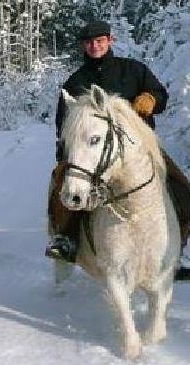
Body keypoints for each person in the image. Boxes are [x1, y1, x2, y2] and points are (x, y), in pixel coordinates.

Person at [47, 20, 190, 277]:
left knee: (182, 186)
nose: (95, 46)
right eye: (90, 42)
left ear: (110, 41)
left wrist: (151, 99)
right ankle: (66, 240)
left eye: (100, 40)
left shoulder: (133, 70)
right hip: (92, 155)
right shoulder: (75, 82)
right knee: (63, 186)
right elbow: (64, 124)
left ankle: (177, 249)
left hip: (139, 151)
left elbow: (160, 94)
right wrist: (67, 156)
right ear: (84, 46)